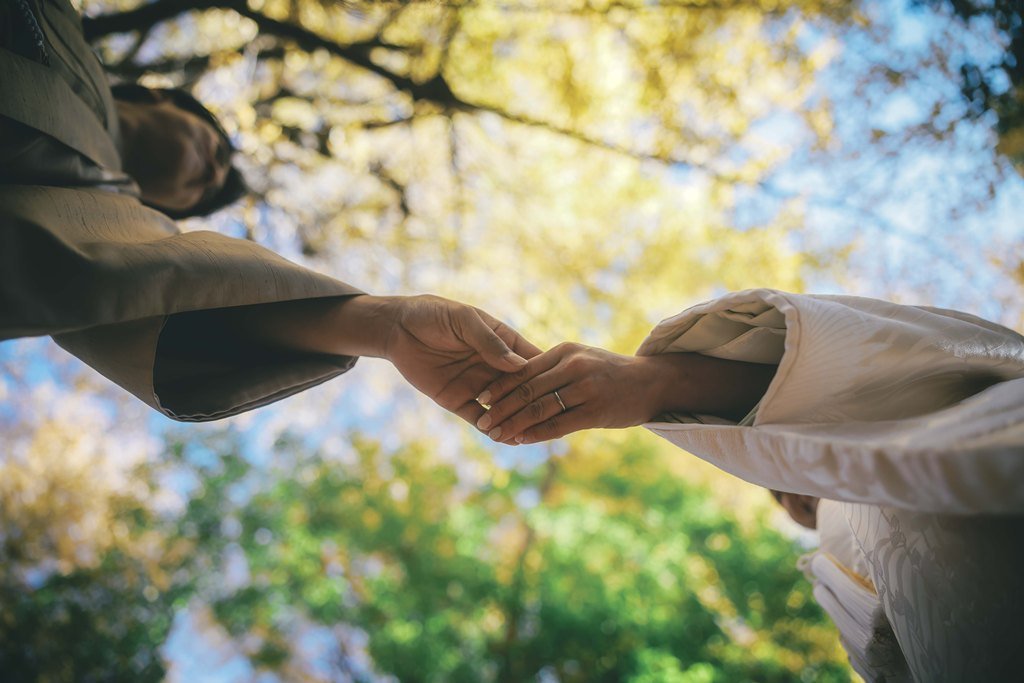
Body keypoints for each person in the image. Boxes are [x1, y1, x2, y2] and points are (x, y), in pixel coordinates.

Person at [0, 0, 537, 423]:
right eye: (217, 150)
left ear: (160, 210)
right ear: (163, 98)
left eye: (204, 192)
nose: (213, 172)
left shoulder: (101, 220)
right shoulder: (67, 30)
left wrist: (388, 326)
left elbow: (172, 292)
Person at [476, 288, 1024, 680]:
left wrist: (657, 383)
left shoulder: (884, 457)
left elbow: (898, 374)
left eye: (789, 479)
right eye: (786, 493)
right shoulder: (834, 573)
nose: (793, 495)